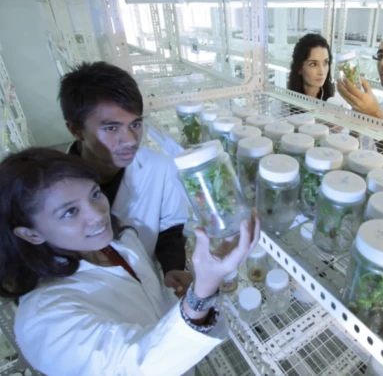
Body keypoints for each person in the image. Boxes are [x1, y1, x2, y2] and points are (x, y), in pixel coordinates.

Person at [1, 148, 260, 375]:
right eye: (70, 211)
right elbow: (136, 367)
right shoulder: (43, 321)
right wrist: (202, 293)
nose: (98, 214)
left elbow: (150, 315)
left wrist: (185, 291)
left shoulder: (116, 242)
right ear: (30, 233)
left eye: (94, 194)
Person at [59, 62, 191, 297]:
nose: (129, 140)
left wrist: (172, 268)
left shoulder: (158, 167)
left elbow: (170, 228)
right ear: (76, 130)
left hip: (150, 287)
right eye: (111, 128)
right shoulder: (52, 192)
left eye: (136, 124)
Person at [288, 33, 334, 101]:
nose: (321, 72)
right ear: (299, 68)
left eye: (325, 63)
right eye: (313, 64)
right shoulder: (284, 102)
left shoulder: (334, 101)